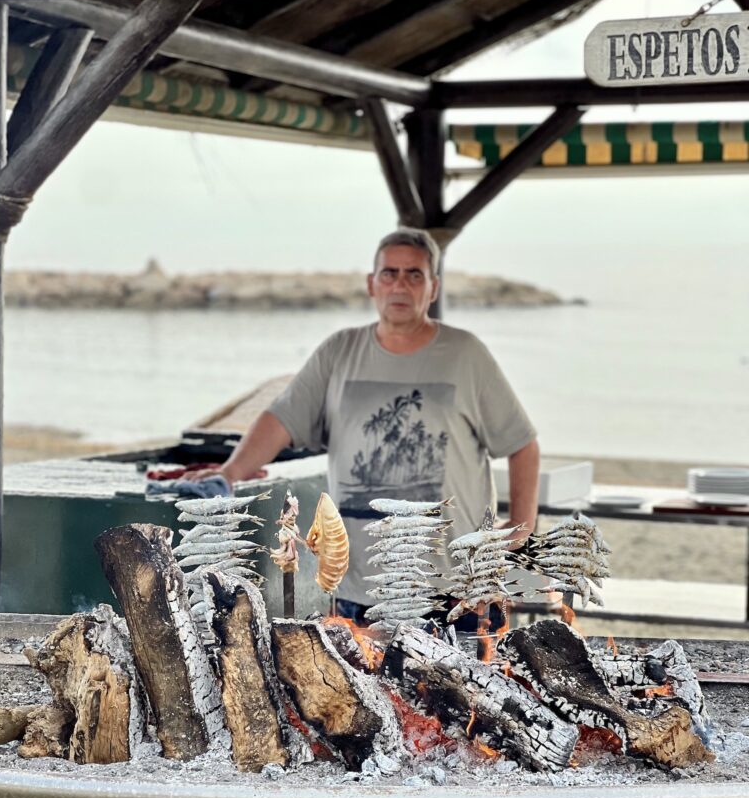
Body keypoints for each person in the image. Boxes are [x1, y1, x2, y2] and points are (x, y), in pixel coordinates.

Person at [186, 228, 540, 623]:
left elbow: (521, 442)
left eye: (414, 275)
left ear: (434, 288)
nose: (400, 285)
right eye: (389, 273)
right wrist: (229, 473)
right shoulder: (340, 351)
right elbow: (280, 420)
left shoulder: (466, 355)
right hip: (358, 591)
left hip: (454, 593)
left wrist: (521, 526)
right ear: (372, 284)